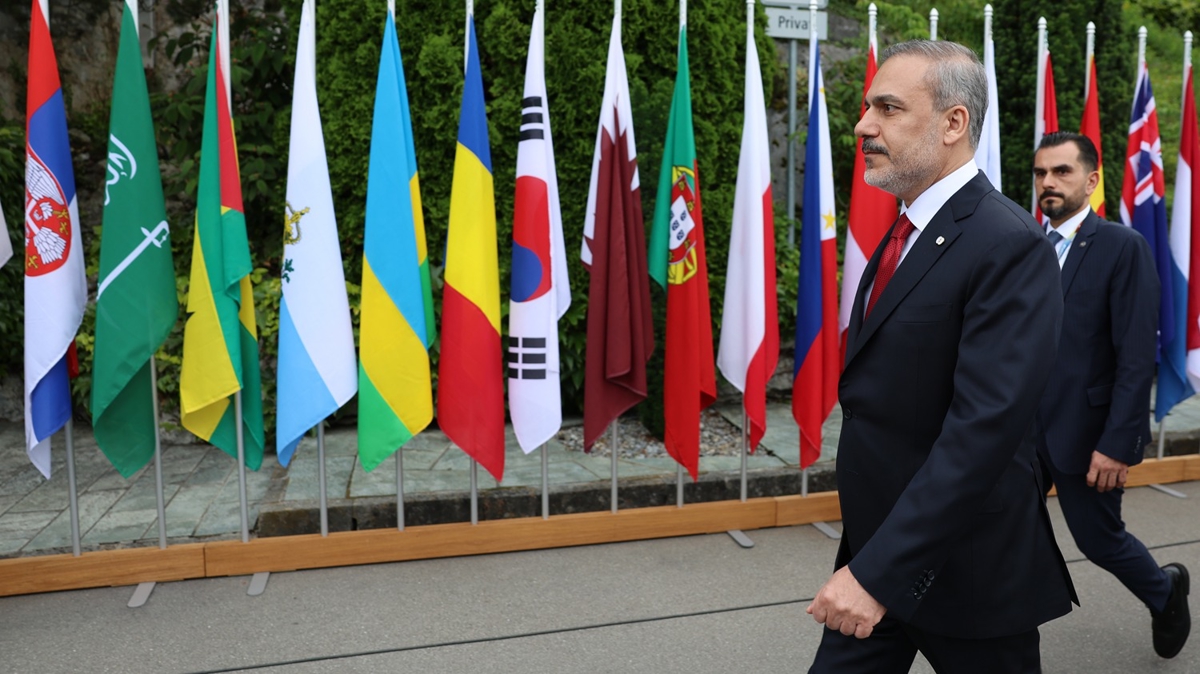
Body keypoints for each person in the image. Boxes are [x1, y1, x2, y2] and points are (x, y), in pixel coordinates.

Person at [806, 40, 1076, 673]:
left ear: (954, 123)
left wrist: (876, 572)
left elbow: (982, 432)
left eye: (888, 108)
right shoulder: (907, 230)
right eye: (867, 107)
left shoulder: (1007, 243)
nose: (863, 125)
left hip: (969, 573)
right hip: (881, 548)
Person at [1032, 131, 1191, 659]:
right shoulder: (1025, 244)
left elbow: (1136, 355)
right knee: (998, 525)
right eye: (1041, 173)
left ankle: (1164, 591)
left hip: (1086, 433)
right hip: (1021, 430)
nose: (1049, 182)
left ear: (1092, 180)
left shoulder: (1123, 247)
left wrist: (1118, 444)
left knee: (1099, 540)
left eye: (1062, 171)